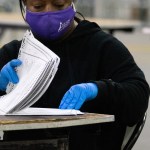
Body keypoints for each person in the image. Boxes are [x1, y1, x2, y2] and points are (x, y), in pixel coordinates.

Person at [0, 0, 149, 149]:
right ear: (25, 5)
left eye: (59, 5)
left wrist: (98, 90)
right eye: (38, 6)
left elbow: (138, 96)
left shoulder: (102, 47)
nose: (49, 14)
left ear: (72, 2)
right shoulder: (13, 54)